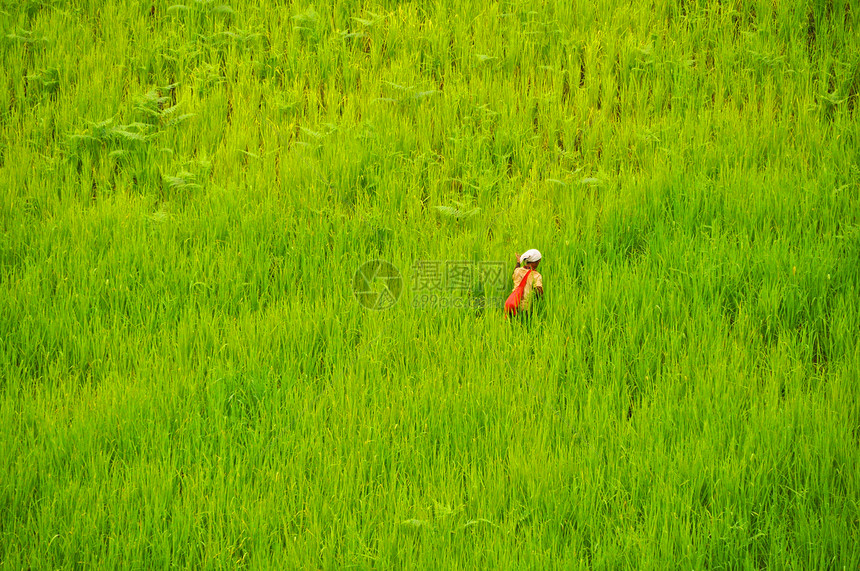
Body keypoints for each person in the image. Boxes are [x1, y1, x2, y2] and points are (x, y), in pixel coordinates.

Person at [511, 249, 544, 313]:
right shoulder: (536, 275)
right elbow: (539, 290)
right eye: (539, 262)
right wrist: (540, 302)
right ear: (536, 262)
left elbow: (515, 271)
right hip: (525, 308)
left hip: (513, 304)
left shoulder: (518, 271)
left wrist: (518, 262)